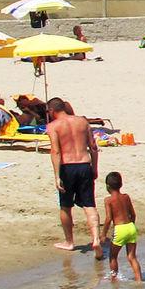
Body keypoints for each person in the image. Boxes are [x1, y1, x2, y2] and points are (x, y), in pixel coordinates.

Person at [46, 98, 101, 253]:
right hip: (84, 164)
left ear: (51, 111)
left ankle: (69, 241)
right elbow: (93, 147)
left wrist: (57, 175)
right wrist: (94, 168)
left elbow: (55, 151)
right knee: (89, 205)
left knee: (65, 206)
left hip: (67, 167)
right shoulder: (83, 122)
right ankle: (96, 239)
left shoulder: (53, 126)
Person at [100, 171, 141, 280]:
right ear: (121, 185)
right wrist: (131, 226)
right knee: (132, 257)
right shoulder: (126, 197)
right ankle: (139, 280)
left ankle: (114, 281)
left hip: (120, 229)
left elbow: (108, 218)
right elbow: (133, 214)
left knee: (113, 256)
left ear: (107, 186)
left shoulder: (108, 200)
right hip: (131, 227)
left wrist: (103, 234)